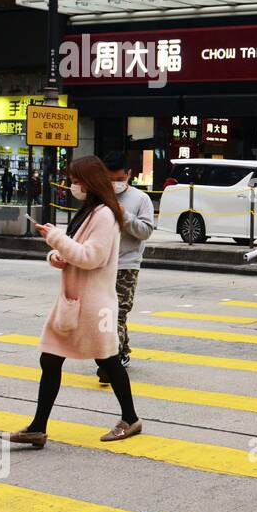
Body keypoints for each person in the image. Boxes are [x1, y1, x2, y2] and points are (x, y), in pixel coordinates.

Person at [5, 156, 140, 447]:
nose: (72, 185)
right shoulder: (89, 211)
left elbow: (92, 257)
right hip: (73, 301)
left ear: (90, 182)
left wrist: (55, 238)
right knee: (50, 358)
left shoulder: (105, 214)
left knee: (109, 362)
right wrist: (55, 254)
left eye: (76, 180)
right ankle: (38, 427)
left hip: (92, 305)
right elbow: (74, 252)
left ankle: (130, 418)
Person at [99, 153, 155, 380]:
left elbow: (146, 231)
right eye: (111, 179)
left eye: (120, 178)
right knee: (105, 312)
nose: (115, 183)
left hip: (126, 265)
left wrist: (126, 217)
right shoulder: (99, 196)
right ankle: (122, 350)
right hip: (101, 264)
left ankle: (108, 362)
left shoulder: (141, 199)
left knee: (119, 312)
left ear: (129, 174)